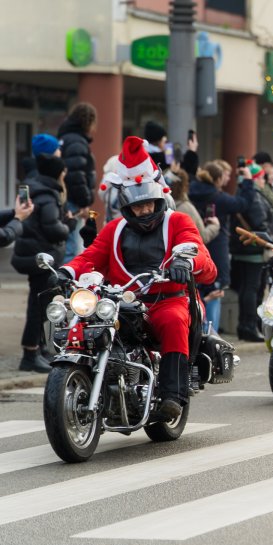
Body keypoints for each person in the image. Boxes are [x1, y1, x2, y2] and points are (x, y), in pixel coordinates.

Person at [59, 178, 216, 419]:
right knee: (90, 320)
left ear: (158, 202)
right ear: (127, 208)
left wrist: (184, 262)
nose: (143, 210)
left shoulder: (178, 221)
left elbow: (193, 245)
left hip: (167, 298)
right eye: (137, 206)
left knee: (174, 321)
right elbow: (92, 255)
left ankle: (173, 396)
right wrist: (66, 272)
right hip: (123, 300)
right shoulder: (114, 229)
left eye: (148, 204)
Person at [12, 154, 77, 372]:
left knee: (40, 304)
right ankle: (30, 354)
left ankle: (38, 349)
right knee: (38, 306)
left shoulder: (36, 189)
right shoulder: (48, 196)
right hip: (41, 258)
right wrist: (69, 224)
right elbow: (53, 229)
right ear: (59, 174)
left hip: (34, 254)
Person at [189, 160, 253, 333]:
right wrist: (247, 181)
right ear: (217, 179)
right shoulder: (219, 198)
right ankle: (210, 339)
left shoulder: (189, 194)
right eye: (224, 175)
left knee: (195, 295)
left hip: (193, 254)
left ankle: (196, 338)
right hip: (216, 253)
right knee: (215, 295)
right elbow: (243, 204)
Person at [230, 163, 273, 341]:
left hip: (242, 248)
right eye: (262, 178)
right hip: (254, 250)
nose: (265, 181)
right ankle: (250, 326)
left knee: (245, 289)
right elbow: (260, 222)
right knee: (252, 288)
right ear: (255, 179)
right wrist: (270, 241)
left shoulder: (241, 193)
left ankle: (245, 325)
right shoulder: (255, 196)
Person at [57, 102, 97, 262]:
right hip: (73, 202)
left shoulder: (64, 138)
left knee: (68, 245)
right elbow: (76, 175)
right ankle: (67, 279)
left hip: (65, 198)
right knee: (72, 248)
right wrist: (84, 201)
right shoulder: (77, 142)